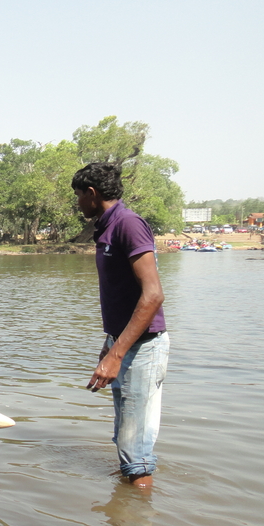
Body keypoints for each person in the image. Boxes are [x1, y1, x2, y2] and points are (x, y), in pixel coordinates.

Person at [72, 162, 169, 490]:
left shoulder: (128, 224)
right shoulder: (107, 227)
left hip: (144, 347)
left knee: (135, 451)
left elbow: (153, 295)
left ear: (92, 193)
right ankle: (125, 510)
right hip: (126, 343)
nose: (77, 204)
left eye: (78, 197)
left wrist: (118, 354)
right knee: (126, 438)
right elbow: (122, 295)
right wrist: (110, 344)